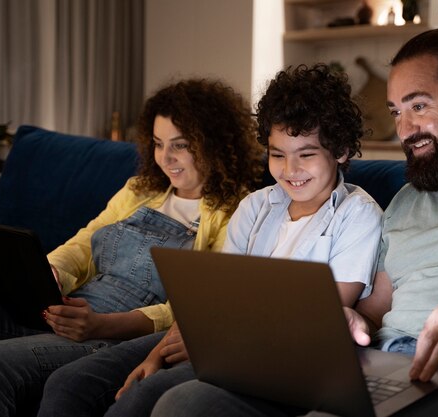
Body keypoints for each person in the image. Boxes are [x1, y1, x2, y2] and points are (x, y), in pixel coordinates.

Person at [150, 28, 438, 417]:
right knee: (186, 404)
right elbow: (374, 311)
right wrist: (345, 318)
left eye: (419, 106)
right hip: (381, 368)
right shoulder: (410, 198)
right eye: (396, 112)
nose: (405, 128)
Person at [36, 63, 383, 417]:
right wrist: (155, 355)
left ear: (339, 151)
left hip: (267, 352)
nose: (290, 170)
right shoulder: (257, 206)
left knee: (145, 398)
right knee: (70, 383)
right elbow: (211, 298)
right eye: (278, 155)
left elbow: (317, 317)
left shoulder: (357, 215)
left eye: (306, 155)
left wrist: (211, 335)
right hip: (213, 334)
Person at [0, 78, 263, 416]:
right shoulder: (139, 189)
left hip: (115, 333)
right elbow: (84, 243)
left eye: (181, 145)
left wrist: (100, 324)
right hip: (74, 306)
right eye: (159, 144)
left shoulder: (236, 211)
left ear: (215, 144)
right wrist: (50, 274)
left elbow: (191, 310)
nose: (166, 158)